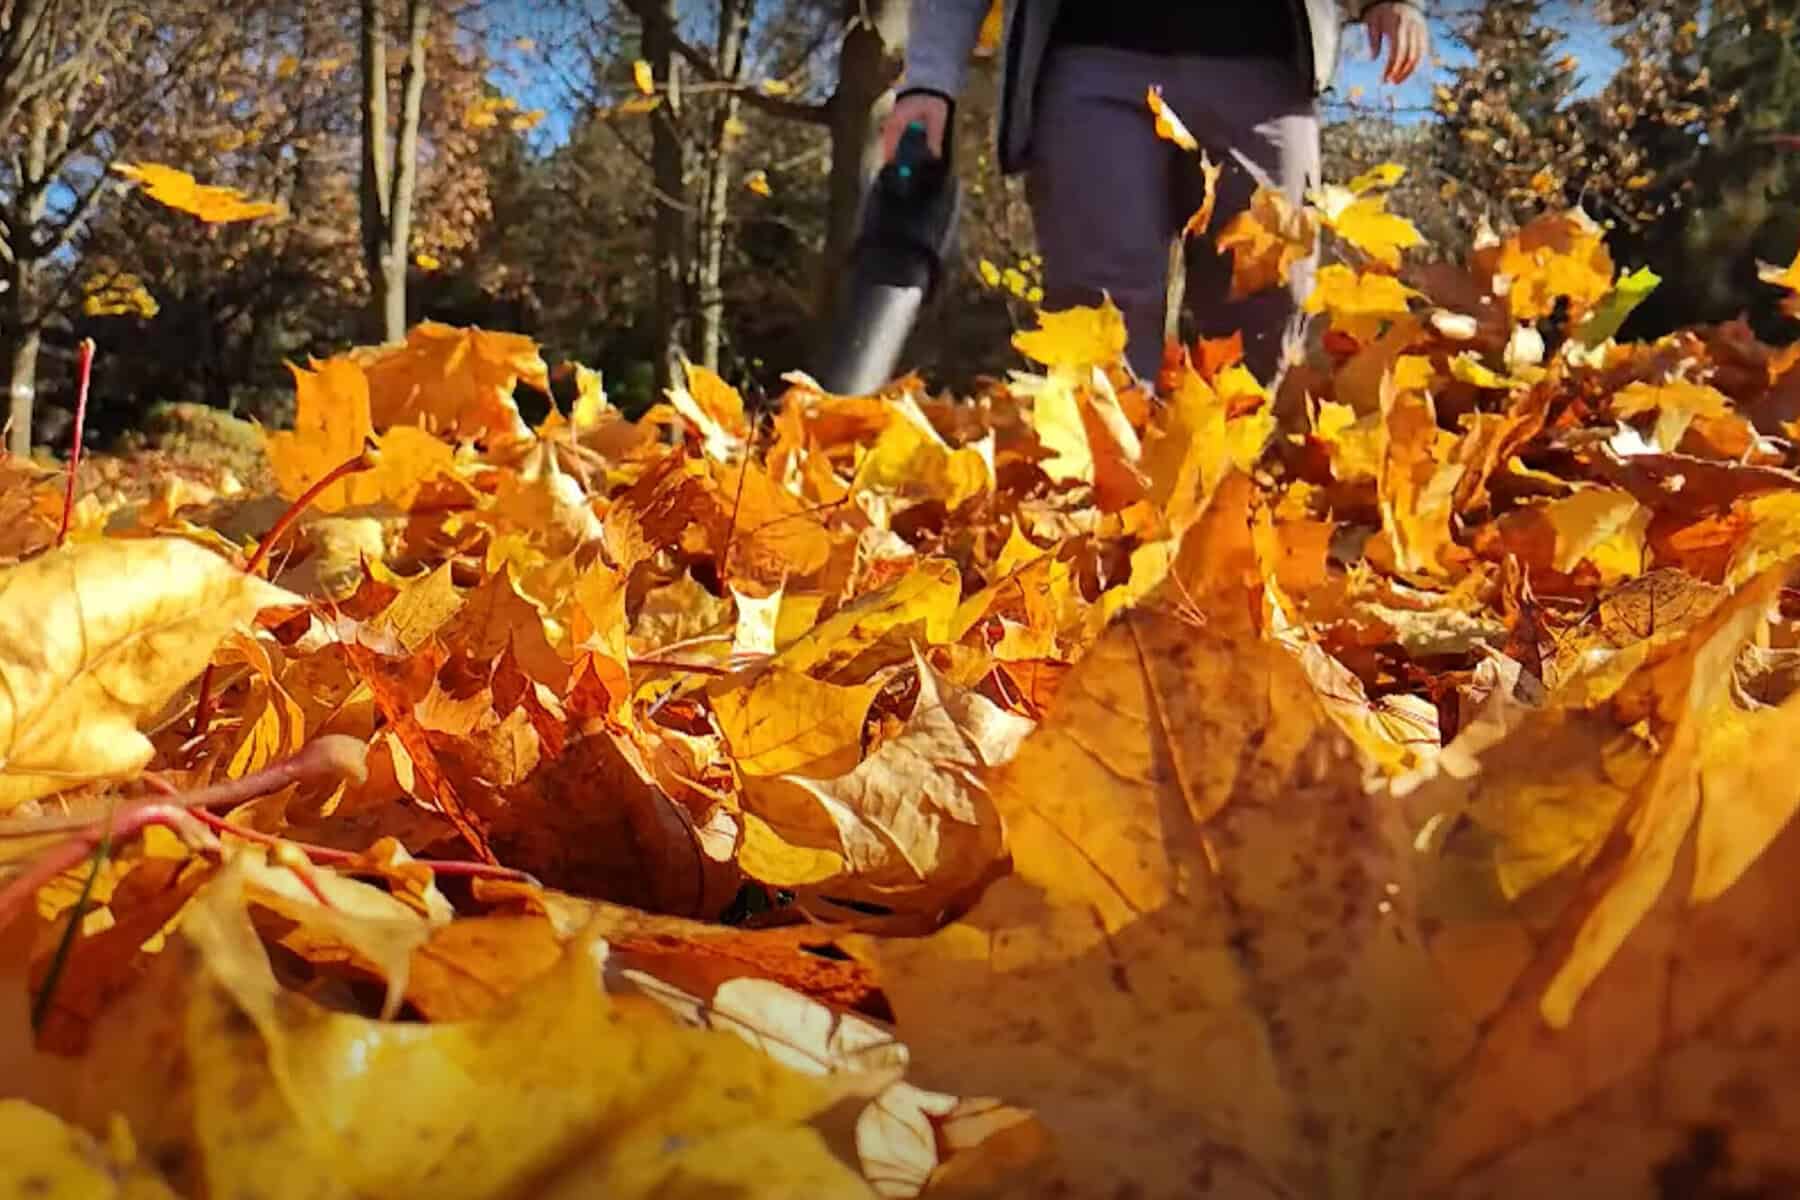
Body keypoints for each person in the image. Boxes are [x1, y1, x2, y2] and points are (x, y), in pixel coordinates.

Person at [882, 0, 1430, 385]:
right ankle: (1103, 521)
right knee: (1100, 315)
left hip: (1265, 68)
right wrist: (929, 78)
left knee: (1269, 307)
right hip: (1092, 59)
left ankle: (1255, 519)